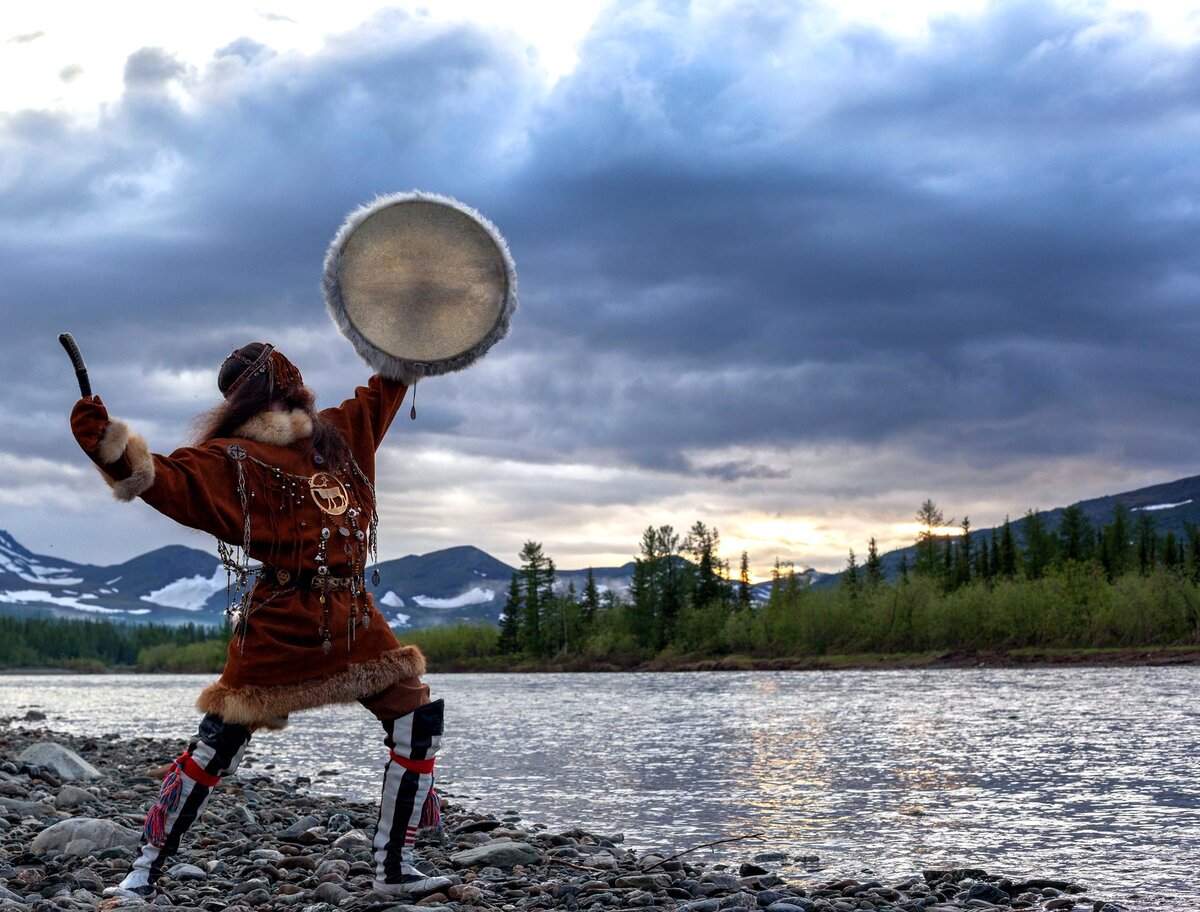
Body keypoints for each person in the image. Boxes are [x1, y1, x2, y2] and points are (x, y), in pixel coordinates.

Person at [69, 342, 449, 900]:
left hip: (351, 617)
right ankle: (143, 871)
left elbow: (387, 384)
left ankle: (395, 866)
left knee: (416, 718)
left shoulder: (340, 435)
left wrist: (412, 333)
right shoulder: (232, 460)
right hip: (279, 621)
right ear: (277, 390)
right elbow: (162, 479)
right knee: (218, 742)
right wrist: (108, 444)